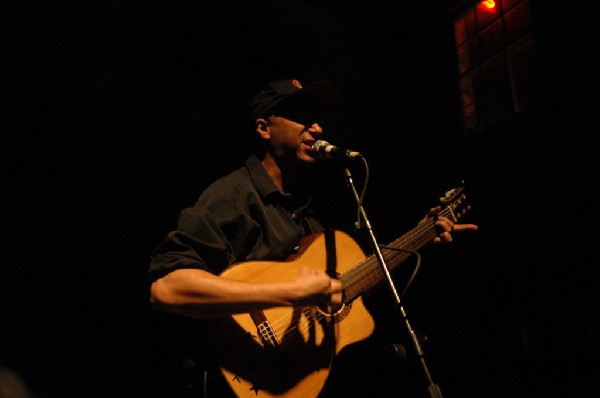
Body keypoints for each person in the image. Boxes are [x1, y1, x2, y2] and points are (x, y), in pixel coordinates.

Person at [147, 77, 479, 397]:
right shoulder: (233, 195)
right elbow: (167, 288)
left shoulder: (309, 212)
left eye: (317, 120)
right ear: (264, 128)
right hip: (237, 379)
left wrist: (418, 238)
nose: (317, 128)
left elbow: (342, 293)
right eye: (301, 119)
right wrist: (291, 291)